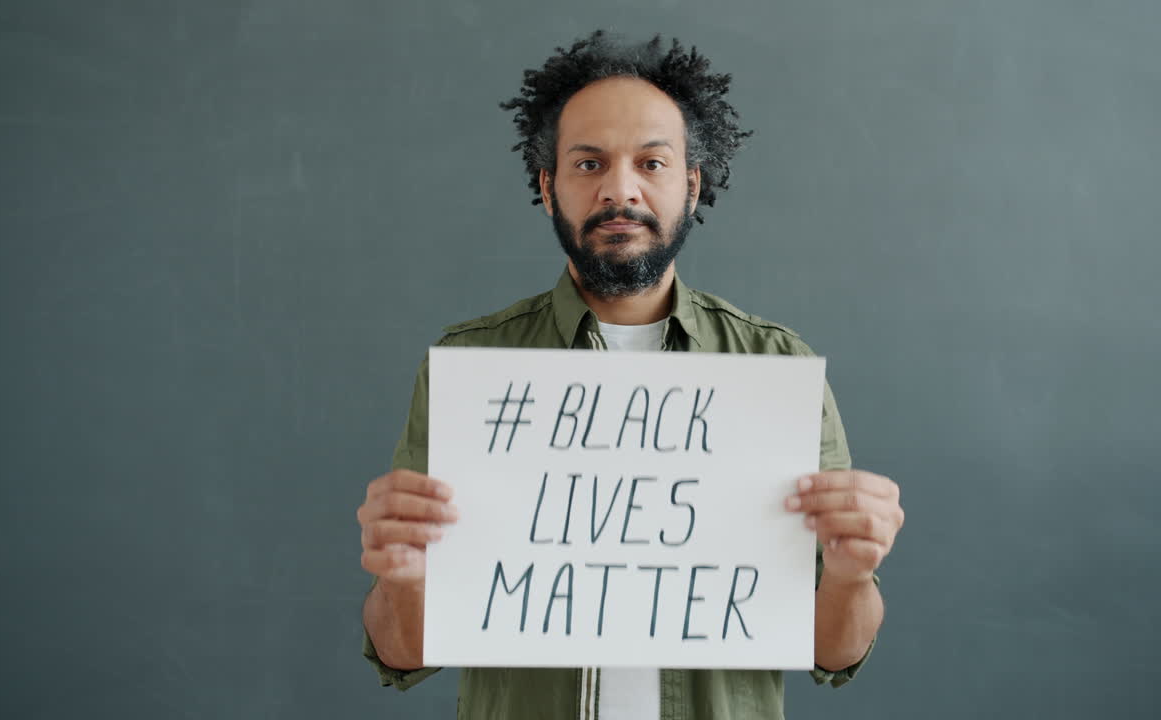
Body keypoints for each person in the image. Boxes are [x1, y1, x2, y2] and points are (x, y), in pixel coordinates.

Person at [357, 29, 905, 720]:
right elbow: (403, 651)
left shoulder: (775, 369)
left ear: (691, 183)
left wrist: (853, 573)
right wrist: (401, 579)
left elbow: (835, 651)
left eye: (652, 162)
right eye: (589, 164)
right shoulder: (469, 372)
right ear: (548, 186)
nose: (621, 189)